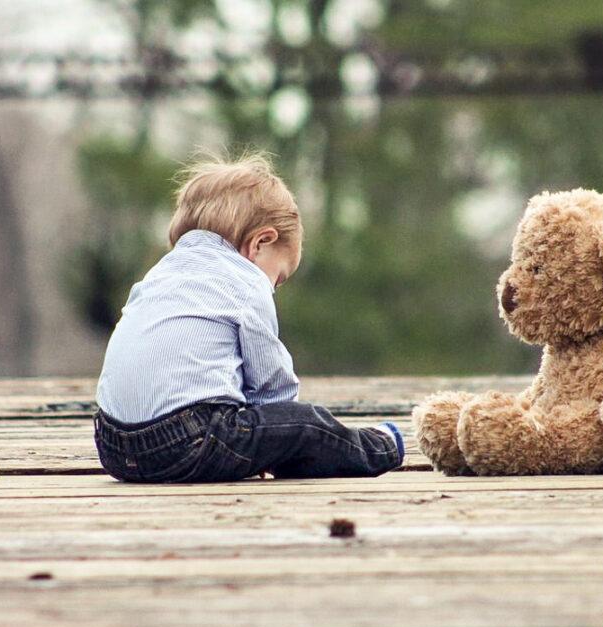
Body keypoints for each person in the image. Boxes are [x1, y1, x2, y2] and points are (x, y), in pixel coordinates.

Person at [93, 153, 404, 482]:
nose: (273, 288)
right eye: (279, 278)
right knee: (308, 424)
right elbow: (273, 387)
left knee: (265, 429)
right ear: (261, 242)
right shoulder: (245, 281)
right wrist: (281, 433)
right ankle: (381, 446)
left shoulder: (159, 274)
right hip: (188, 442)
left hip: (112, 446)